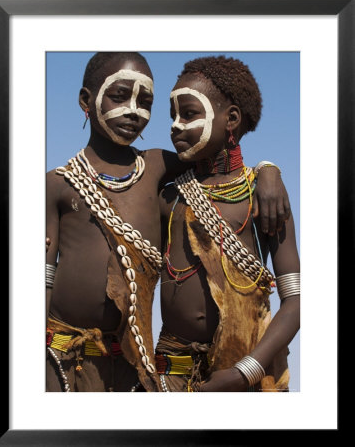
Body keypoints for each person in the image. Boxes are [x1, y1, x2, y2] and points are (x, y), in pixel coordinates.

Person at [46, 52, 290, 392]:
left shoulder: (161, 170)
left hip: (174, 369)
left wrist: (268, 169)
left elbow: (216, 156)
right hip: (86, 365)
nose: (134, 110)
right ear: (86, 100)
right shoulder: (64, 184)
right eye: (120, 95)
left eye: (146, 102)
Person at [156, 55, 300, 392]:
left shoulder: (264, 197)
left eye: (189, 114)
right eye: (172, 116)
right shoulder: (168, 198)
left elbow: (295, 299)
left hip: (245, 374)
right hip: (170, 375)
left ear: (231, 118)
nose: (175, 125)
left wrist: (244, 371)